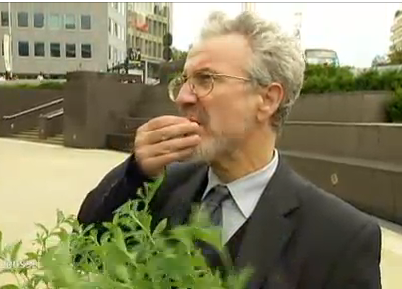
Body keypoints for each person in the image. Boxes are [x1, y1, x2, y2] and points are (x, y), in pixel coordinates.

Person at [77, 11, 381, 289]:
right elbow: (83, 252)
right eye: (184, 81)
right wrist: (135, 173)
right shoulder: (158, 185)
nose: (183, 97)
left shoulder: (342, 238)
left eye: (205, 79)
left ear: (267, 100)